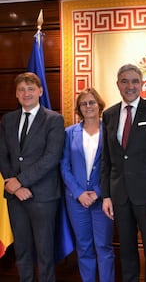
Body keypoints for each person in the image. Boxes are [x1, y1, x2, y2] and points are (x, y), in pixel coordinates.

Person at [100, 64, 146, 282]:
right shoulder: (109, 114)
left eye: (134, 81)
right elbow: (107, 159)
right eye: (125, 81)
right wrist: (106, 195)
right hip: (120, 195)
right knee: (127, 250)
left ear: (142, 84)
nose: (130, 86)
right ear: (118, 84)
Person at [0, 72, 65, 282]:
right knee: (22, 250)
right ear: (16, 95)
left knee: (45, 252)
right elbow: (3, 155)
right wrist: (15, 186)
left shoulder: (54, 119)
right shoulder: (7, 120)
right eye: (21, 89)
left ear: (40, 91)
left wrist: (21, 181)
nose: (26, 93)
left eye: (30, 89)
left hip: (43, 196)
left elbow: (52, 157)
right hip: (14, 196)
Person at [60, 88, 115, 282]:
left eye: (92, 102)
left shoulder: (109, 131)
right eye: (84, 103)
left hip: (103, 201)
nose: (88, 106)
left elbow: (114, 165)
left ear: (99, 105)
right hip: (77, 201)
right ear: (79, 108)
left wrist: (97, 192)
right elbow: (64, 166)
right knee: (84, 247)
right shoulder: (69, 133)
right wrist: (79, 193)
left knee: (104, 247)